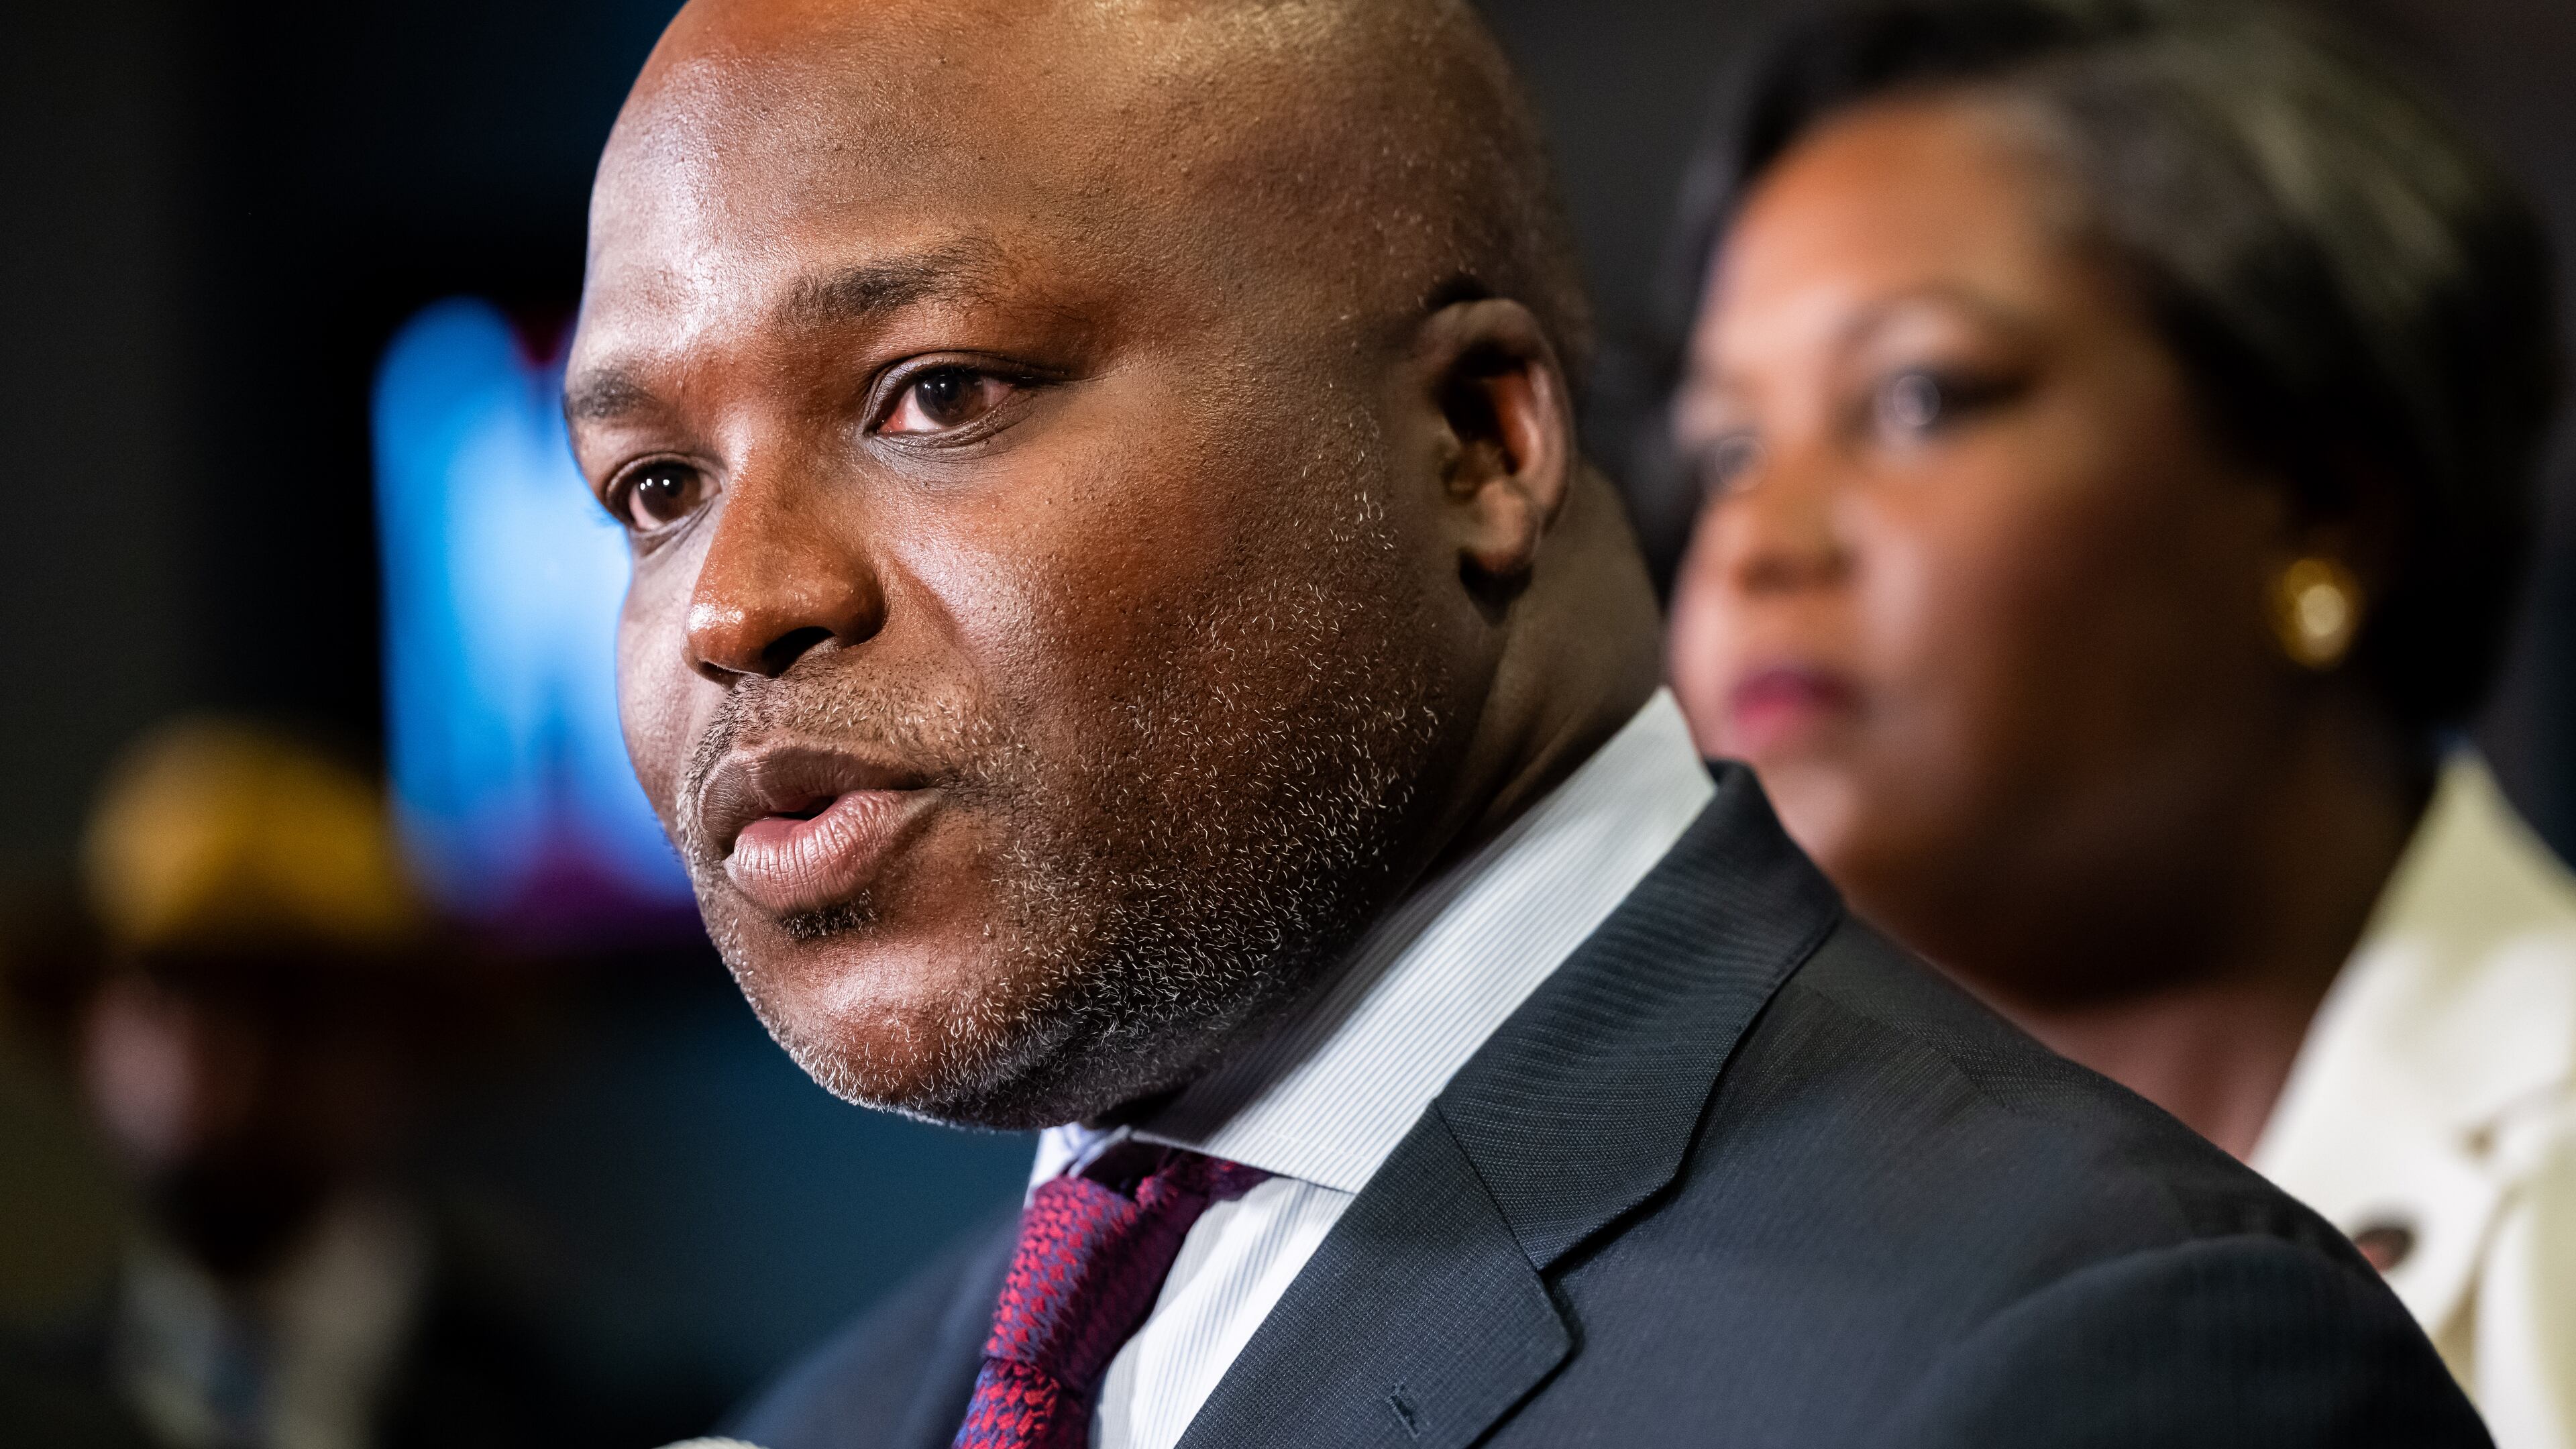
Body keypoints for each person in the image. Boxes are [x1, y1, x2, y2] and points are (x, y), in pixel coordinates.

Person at [568, 0, 2483, 1444]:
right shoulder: (825, 1417)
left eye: (938, 392)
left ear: (1476, 441)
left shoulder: (2097, 1359)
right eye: (655, 487)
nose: (736, 603)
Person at [1656, 0, 2571, 1442]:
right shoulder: (1635, 1229)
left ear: (2320, 507)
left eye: (1916, 398)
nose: (1756, 542)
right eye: (1726, 450)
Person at [0, 720, 700, 1449]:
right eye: (167, 988)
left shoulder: (603, 1417)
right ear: (86, 1031)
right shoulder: (25, 1411)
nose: (223, 1048)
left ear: (406, 1045)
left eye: (291, 1001)